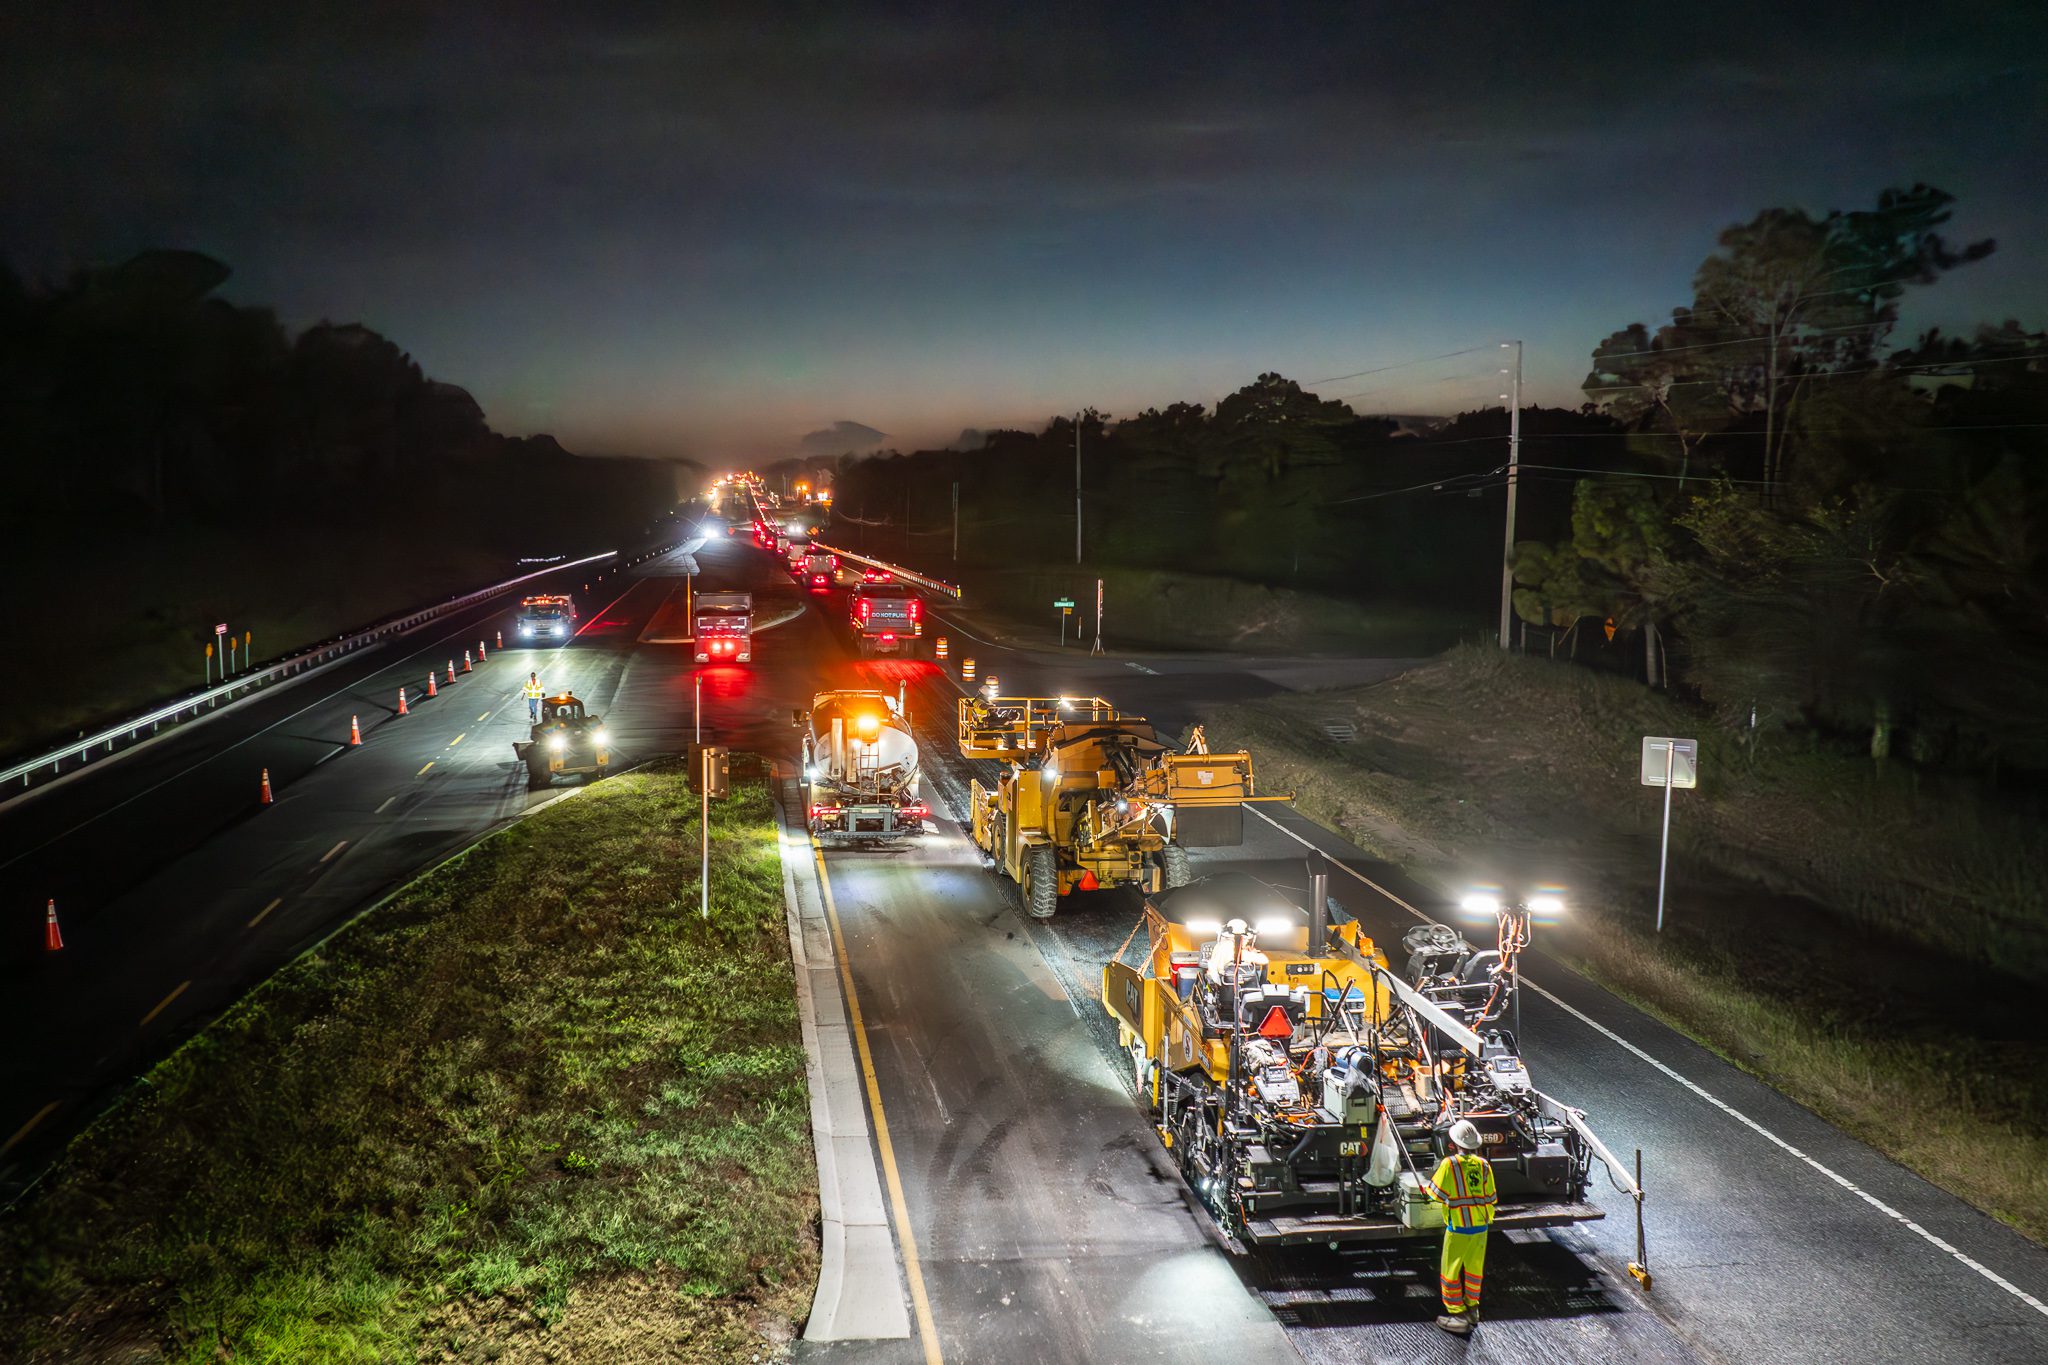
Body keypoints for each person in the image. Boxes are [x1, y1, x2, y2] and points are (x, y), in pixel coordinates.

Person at [1431, 1118, 1497, 1335]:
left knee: (1450, 1270)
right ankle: (1473, 1309)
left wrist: (1425, 1190)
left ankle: (1457, 1314)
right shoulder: (1484, 1165)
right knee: (1474, 1270)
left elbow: (1436, 1194)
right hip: (1481, 1227)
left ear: (1453, 1143)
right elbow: (1491, 1197)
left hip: (1458, 1226)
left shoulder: (1449, 1164)